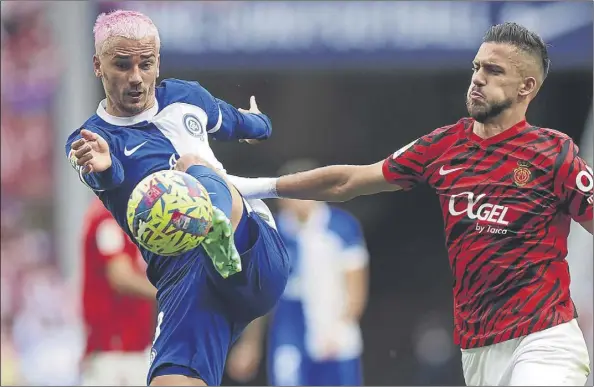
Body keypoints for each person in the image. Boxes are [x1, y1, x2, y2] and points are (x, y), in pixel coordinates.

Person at [230, 22, 594, 386]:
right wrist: (250, 187)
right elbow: (349, 181)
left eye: (493, 70)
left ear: (526, 86)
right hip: (478, 350)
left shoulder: (552, 154)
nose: (478, 79)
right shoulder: (444, 146)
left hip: (545, 339)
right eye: (476, 67)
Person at [65, 10, 290, 386]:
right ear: (97, 66)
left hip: (245, 239)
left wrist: (259, 125)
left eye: (145, 64)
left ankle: (219, 224)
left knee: (193, 167)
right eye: (122, 65)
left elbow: (244, 123)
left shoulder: (187, 97)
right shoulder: (91, 140)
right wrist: (102, 168)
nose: (136, 77)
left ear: (157, 63)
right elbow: (109, 178)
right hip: (184, 276)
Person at [227, 160, 369, 386]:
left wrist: (339, 328)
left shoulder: (342, 227)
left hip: (333, 334)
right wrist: (250, 344)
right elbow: (262, 291)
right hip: (289, 334)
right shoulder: (273, 231)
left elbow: (356, 288)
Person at [80, 198, 156, 385]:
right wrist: (168, 293)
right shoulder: (108, 218)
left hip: (130, 347)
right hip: (115, 350)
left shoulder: (124, 215)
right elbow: (121, 277)